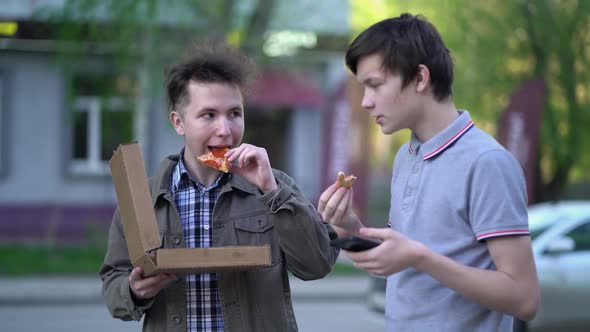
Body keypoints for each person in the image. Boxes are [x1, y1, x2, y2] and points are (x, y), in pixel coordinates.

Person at [318, 13, 540, 331]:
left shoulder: (488, 162)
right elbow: (404, 263)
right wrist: (353, 228)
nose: (366, 102)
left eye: (375, 85)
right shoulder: (405, 157)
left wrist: (419, 257)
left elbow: (524, 298)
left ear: (420, 78)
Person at [100, 42, 339, 332]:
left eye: (234, 114)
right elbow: (114, 286)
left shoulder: (275, 187)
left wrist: (271, 190)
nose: (225, 130)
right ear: (179, 122)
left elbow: (316, 265)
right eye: (208, 115)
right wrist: (134, 290)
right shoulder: (144, 199)